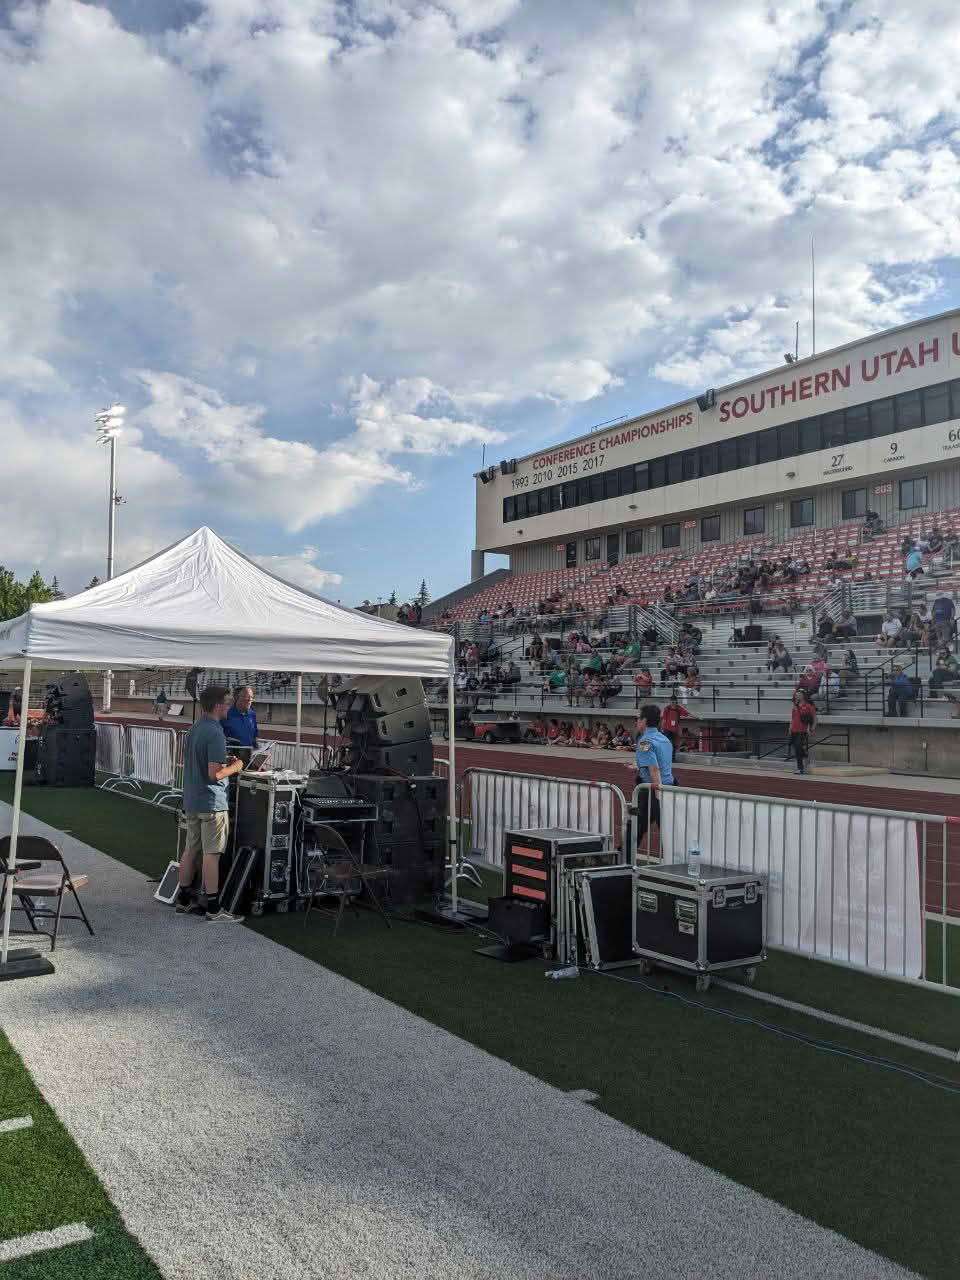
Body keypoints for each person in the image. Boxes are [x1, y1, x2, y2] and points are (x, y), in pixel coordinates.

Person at [175, 685, 245, 922]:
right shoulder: (215, 732)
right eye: (227, 702)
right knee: (211, 854)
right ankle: (213, 908)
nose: (229, 706)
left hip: (192, 799)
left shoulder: (195, 727)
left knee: (190, 850)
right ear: (217, 706)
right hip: (211, 802)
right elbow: (214, 774)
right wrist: (235, 768)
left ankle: (183, 900)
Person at [629, 703, 675, 850]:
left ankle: (625, 858)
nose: (636, 722)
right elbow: (661, 764)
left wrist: (658, 795)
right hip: (670, 786)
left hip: (653, 790)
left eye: (638, 718)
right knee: (670, 830)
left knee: (636, 826)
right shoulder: (664, 739)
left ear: (644, 721)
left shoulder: (644, 742)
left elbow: (654, 770)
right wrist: (638, 766)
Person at [789, 689, 816, 775]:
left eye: (799, 695)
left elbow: (815, 719)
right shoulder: (794, 706)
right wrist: (789, 728)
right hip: (794, 730)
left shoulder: (808, 706)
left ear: (803, 695)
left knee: (798, 747)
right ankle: (805, 755)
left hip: (803, 730)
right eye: (796, 695)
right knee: (797, 748)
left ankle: (800, 768)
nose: (797, 696)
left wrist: (811, 729)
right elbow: (792, 718)